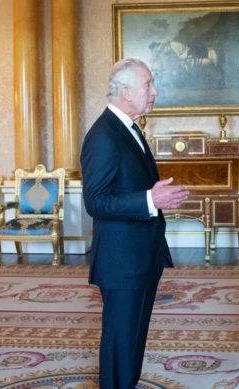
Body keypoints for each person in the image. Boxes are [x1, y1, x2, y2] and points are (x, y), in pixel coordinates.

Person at [80, 58, 189, 389]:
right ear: (126, 92)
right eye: (148, 85)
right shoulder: (103, 135)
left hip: (140, 257)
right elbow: (95, 201)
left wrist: (150, 199)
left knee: (132, 344)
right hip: (121, 261)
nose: (155, 91)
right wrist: (149, 200)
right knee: (120, 346)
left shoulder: (129, 128)